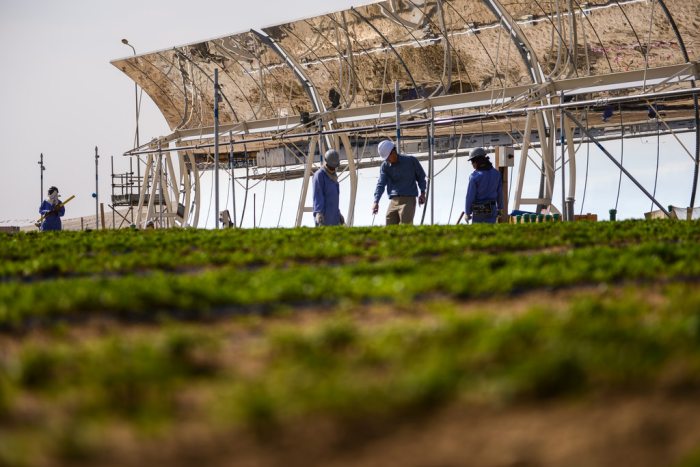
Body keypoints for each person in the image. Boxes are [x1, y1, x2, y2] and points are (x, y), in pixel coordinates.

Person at [372, 139, 427, 225]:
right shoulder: (385, 166)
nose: (387, 160)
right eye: (385, 159)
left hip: (408, 199)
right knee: (389, 225)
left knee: (405, 227)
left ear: (393, 151)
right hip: (393, 201)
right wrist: (376, 201)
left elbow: (421, 177)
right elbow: (381, 184)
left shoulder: (411, 161)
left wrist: (423, 193)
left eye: (388, 158)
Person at [464, 148, 503, 224]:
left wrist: (467, 213)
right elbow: (500, 193)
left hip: (479, 209)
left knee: (478, 233)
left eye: (472, 162)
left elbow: (470, 196)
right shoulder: (496, 174)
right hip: (492, 208)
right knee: (491, 232)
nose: (472, 164)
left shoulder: (474, 177)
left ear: (478, 161)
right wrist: (500, 208)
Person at [313, 149, 344, 226]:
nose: (333, 169)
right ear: (326, 162)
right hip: (323, 219)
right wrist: (318, 213)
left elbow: (334, 198)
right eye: (331, 167)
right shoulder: (319, 175)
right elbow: (318, 196)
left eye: (334, 167)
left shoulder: (333, 176)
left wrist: (338, 213)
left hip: (334, 219)